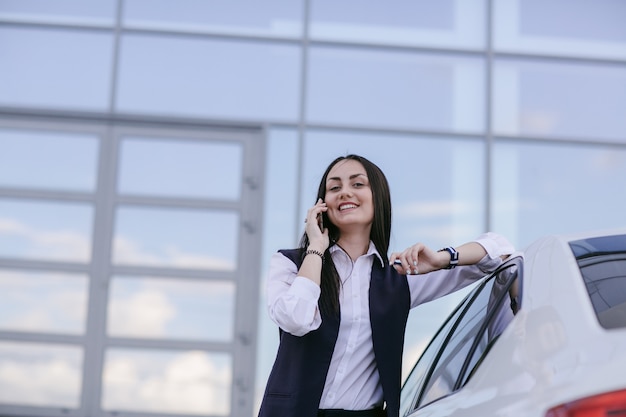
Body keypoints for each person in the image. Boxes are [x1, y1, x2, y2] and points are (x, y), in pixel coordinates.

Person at [258, 154, 514, 417]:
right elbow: (296, 319)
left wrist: (442, 258)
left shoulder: (400, 276)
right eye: (334, 188)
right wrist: (315, 249)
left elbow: (501, 252)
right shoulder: (290, 263)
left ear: (378, 197)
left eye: (357, 184)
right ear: (322, 206)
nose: (345, 192)